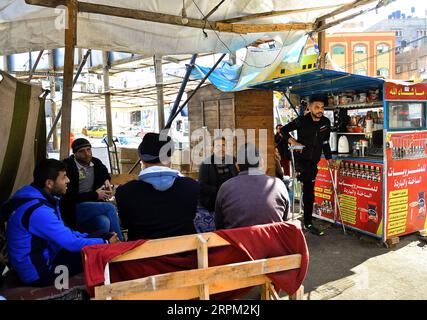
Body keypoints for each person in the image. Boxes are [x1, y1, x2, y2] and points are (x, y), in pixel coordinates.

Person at [0, 159, 119, 287]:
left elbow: (67, 234)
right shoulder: (39, 211)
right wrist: (105, 243)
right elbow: (71, 243)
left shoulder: (34, 195)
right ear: (49, 183)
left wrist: (101, 239)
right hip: (38, 273)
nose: (68, 180)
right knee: (98, 255)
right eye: (63, 177)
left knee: (103, 236)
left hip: (46, 255)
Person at [115, 132, 199, 240]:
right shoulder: (191, 186)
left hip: (142, 255)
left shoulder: (124, 192)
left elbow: (125, 224)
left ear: (143, 160)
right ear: (169, 158)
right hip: (184, 254)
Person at [281, 94, 332, 236]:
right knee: (308, 191)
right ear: (309, 108)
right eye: (316, 107)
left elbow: (325, 142)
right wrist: (293, 141)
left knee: (309, 192)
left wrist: (329, 158)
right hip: (301, 161)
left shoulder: (326, 122)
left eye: (322, 107)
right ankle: (307, 222)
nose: (320, 110)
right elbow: (283, 130)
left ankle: (306, 220)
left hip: (314, 162)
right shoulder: (301, 121)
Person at [215, 143, 290, 230]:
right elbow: (286, 224)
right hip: (272, 242)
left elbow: (219, 227)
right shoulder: (279, 185)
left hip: (238, 243)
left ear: (237, 166)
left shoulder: (225, 188)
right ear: (261, 162)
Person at [61, 138, 123, 240]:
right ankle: (120, 243)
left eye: (88, 149)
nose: (87, 154)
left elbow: (104, 172)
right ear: (75, 154)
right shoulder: (68, 167)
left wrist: (106, 180)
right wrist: (95, 195)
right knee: (109, 207)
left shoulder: (95, 162)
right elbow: (69, 197)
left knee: (104, 222)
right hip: (73, 208)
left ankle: (101, 248)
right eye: (82, 151)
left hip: (92, 205)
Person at [197, 137, 238, 231]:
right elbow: (201, 187)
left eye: (223, 145)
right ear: (213, 148)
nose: (221, 148)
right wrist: (221, 190)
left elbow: (237, 177)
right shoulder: (206, 164)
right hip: (214, 199)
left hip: (231, 197)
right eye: (218, 146)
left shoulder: (232, 160)